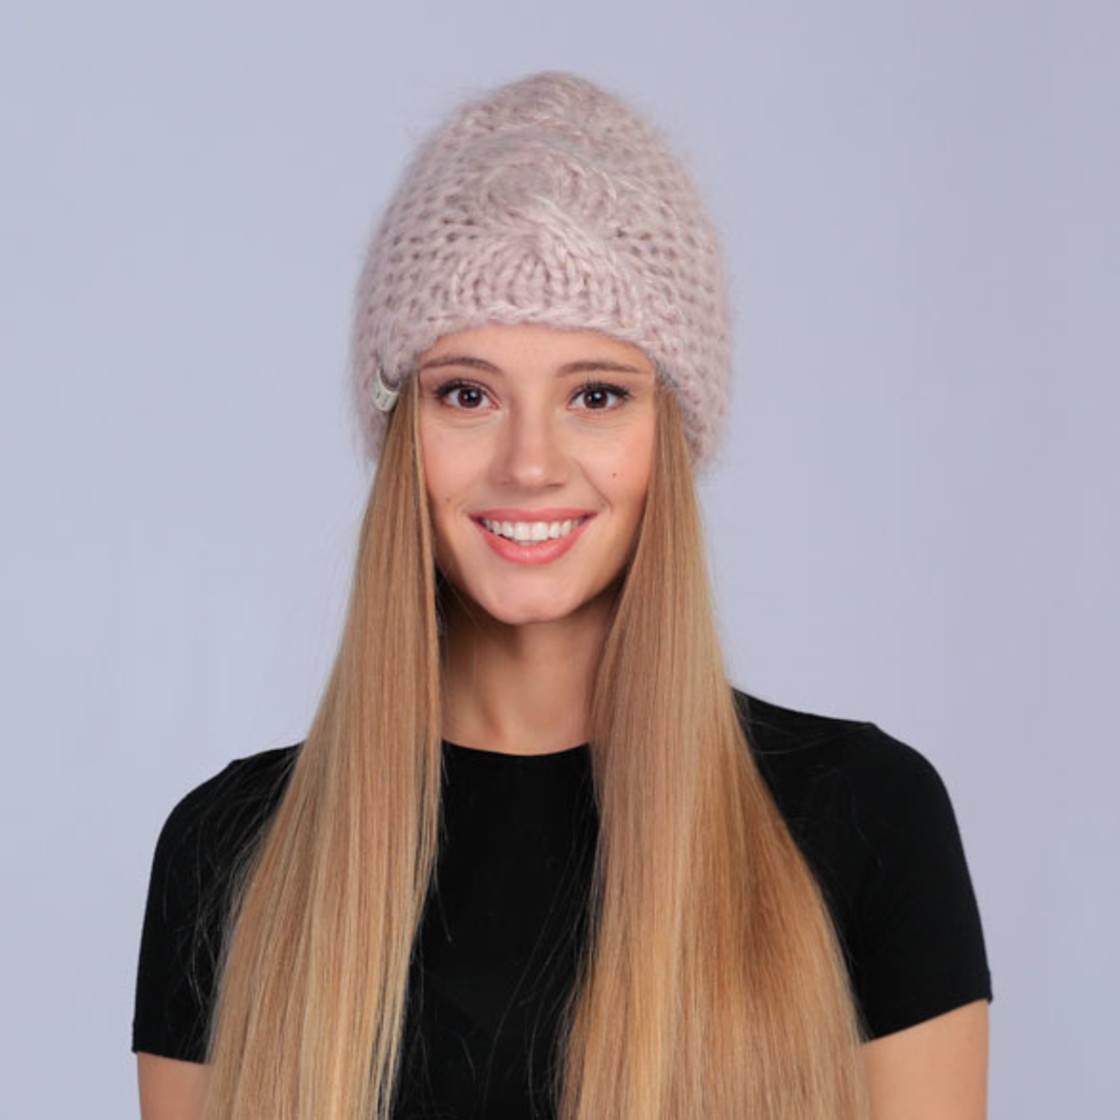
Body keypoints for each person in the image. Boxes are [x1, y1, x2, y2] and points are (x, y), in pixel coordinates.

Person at [133, 72, 991, 1119]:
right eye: (467, 393)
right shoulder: (231, 854)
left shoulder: (866, 820)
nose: (530, 464)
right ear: (401, 433)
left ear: (669, 434)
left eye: (596, 394)